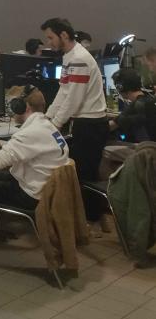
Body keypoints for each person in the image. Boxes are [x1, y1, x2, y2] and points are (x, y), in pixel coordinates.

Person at [0, 86, 67, 210]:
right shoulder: (46, 125)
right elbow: (29, 148)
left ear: (24, 107)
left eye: (13, 105)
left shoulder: (30, 132)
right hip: (43, 191)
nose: (11, 110)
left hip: (30, 197)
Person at [41, 17, 107, 219]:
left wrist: (55, 124)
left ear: (63, 35)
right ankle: (86, 218)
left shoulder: (79, 58)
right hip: (85, 123)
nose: (49, 42)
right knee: (81, 173)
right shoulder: (70, 56)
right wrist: (47, 117)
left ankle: (89, 220)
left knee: (84, 175)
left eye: (50, 37)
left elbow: (73, 99)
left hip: (90, 125)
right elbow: (63, 91)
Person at [110, 68, 156, 143]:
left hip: (147, 148)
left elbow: (110, 127)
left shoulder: (136, 106)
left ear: (120, 87)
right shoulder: (150, 99)